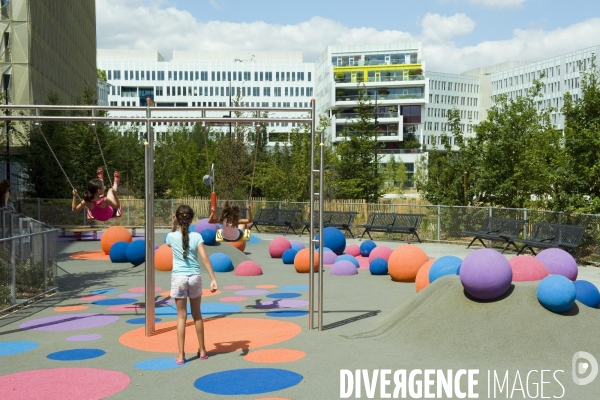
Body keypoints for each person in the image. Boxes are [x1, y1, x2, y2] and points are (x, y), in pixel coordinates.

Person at [167, 205, 218, 365]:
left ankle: (181, 355)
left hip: (179, 278)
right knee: (197, 315)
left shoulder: (171, 236)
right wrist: (213, 278)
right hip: (195, 277)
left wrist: (174, 225)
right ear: (191, 220)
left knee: (181, 317)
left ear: (177, 218)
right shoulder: (197, 236)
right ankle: (202, 350)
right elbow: (205, 258)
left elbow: (172, 236)